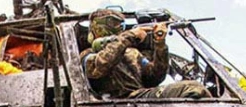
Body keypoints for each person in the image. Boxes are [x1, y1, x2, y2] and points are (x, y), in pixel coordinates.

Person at [81, 8, 212, 99]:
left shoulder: (132, 53)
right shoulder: (87, 55)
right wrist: (130, 36)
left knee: (194, 90)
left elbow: (155, 77)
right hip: (112, 105)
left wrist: (159, 44)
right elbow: (101, 66)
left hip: (140, 100)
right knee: (192, 88)